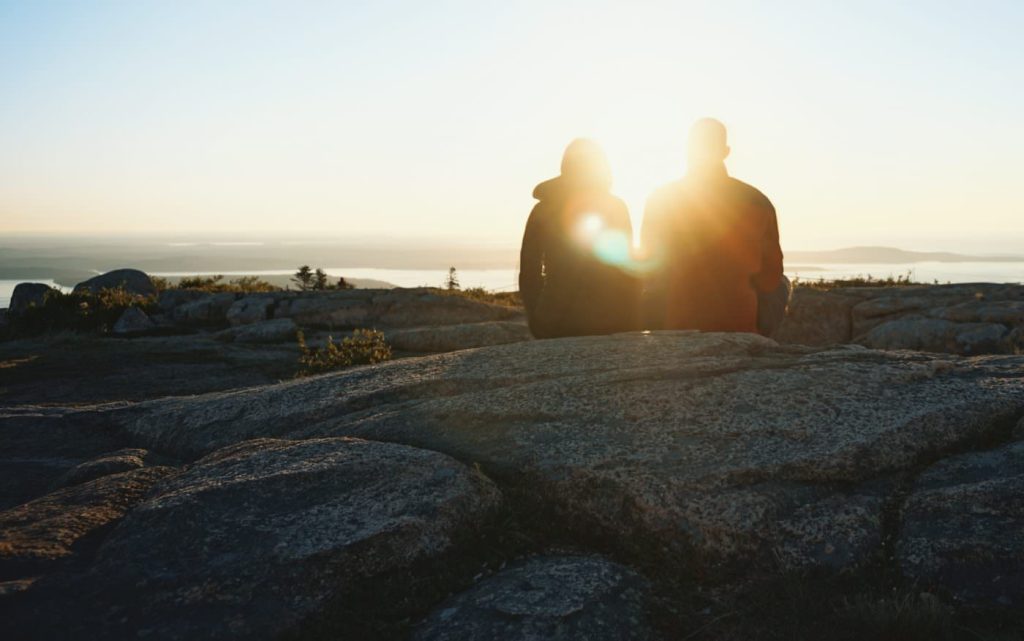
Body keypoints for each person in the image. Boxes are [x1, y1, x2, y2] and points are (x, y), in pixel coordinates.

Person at [641, 118, 789, 335]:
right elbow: (770, 277)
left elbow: (648, 268)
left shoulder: (661, 200)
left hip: (675, 321)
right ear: (726, 152)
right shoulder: (758, 201)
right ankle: (762, 342)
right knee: (782, 284)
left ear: (688, 150)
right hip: (738, 322)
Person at [519, 139, 640, 338]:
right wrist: (632, 323)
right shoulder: (615, 207)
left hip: (557, 321)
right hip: (611, 321)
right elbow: (629, 271)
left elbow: (529, 274)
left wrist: (539, 320)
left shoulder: (543, 210)